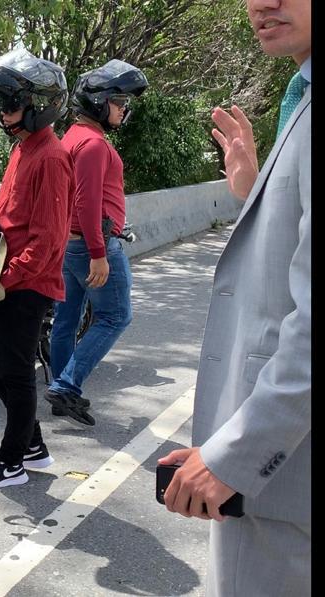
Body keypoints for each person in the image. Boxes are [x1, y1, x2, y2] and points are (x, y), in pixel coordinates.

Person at [157, 0, 310, 594]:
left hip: (285, 484)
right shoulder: (301, 99)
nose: (261, 4)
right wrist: (255, 190)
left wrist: (236, 455)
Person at [0, 48, 74, 490]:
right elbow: (10, 212)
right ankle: (32, 445)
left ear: (39, 106)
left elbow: (48, 242)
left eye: (12, 105)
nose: (4, 113)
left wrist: (3, 283)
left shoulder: (49, 157)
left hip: (26, 284)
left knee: (13, 371)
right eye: (3, 105)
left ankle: (11, 461)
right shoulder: (24, 149)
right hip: (6, 277)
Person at [44, 60, 148, 426]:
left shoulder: (70, 138)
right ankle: (67, 385)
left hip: (68, 245)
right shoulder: (92, 145)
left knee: (66, 321)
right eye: (119, 102)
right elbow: (86, 203)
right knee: (115, 315)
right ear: (100, 103)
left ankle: (61, 391)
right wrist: (99, 255)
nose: (123, 110)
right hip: (92, 245)